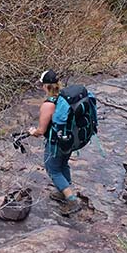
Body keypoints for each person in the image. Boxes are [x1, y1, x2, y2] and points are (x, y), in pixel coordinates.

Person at [28, 70, 83, 216]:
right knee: (63, 164)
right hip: (69, 140)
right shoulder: (65, 98)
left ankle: (71, 199)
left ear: (45, 86)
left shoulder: (48, 105)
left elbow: (41, 130)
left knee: (53, 169)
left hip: (56, 143)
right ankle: (63, 191)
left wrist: (33, 132)